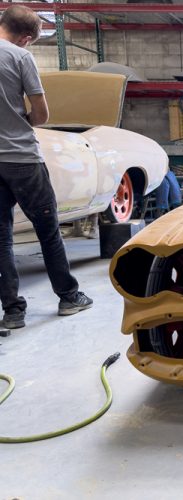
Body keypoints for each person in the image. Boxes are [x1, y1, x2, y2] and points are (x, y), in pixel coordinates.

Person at [0, 5, 93, 329]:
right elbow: (41, 115)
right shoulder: (20, 57)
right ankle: (69, 297)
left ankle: (13, 312)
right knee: (48, 230)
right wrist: (19, 122)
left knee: (2, 238)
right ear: (26, 38)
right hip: (22, 159)